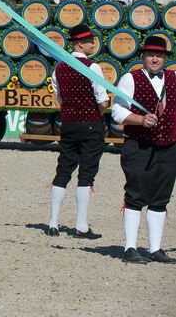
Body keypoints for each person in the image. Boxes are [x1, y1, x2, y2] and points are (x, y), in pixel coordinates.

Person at [112, 35, 176, 263]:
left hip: (168, 146)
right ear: (143, 56)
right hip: (138, 145)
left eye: (159, 55)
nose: (155, 59)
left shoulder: (173, 78)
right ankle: (130, 248)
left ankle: (155, 248)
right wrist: (140, 120)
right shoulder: (130, 79)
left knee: (161, 198)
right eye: (151, 55)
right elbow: (117, 113)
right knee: (135, 196)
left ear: (165, 58)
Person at [46, 24, 109, 239]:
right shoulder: (93, 67)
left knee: (63, 170)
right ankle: (80, 225)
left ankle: (53, 223)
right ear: (80, 43)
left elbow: (60, 98)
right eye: (91, 41)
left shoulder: (59, 67)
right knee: (87, 174)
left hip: (69, 123)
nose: (93, 44)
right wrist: (99, 113)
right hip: (91, 123)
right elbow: (102, 100)